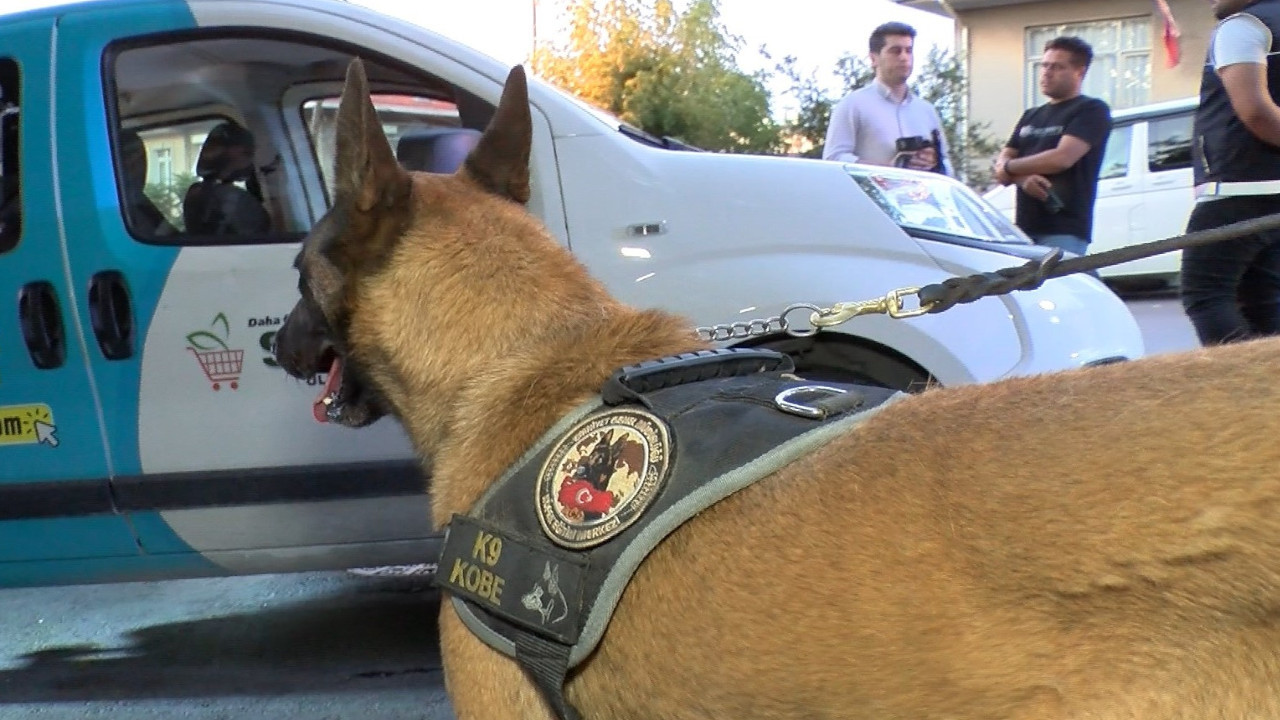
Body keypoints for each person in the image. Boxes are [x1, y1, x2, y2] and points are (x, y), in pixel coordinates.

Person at [1179, 0, 1280, 345]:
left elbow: (1255, 112)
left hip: (1238, 186)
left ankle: (1243, 387)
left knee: (1205, 295)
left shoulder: (1244, 26)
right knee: (1265, 301)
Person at [993, 36, 1111, 257]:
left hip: (1064, 229)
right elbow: (1001, 166)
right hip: (1025, 230)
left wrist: (1009, 168)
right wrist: (1021, 178)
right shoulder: (1031, 115)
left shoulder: (1091, 110)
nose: (1047, 72)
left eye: (1057, 67)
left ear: (1080, 72)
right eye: (1044, 65)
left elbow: (1061, 158)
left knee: (1062, 288)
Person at [822, 21, 951, 175]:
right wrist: (886, 170)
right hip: (870, 198)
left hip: (919, 197)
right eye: (895, 51)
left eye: (909, 51)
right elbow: (833, 159)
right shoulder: (853, 105)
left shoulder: (927, 111)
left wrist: (934, 162)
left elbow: (948, 167)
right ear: (873, 58)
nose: (904, 57)